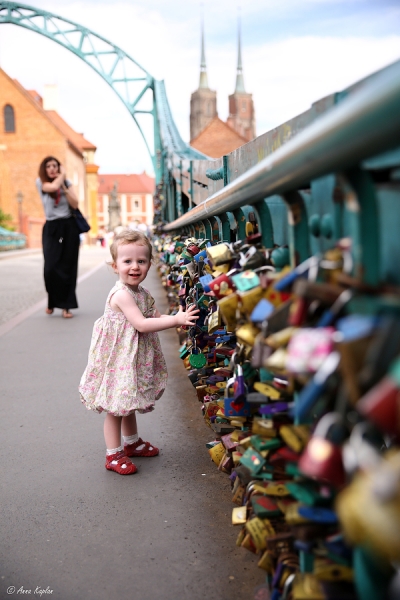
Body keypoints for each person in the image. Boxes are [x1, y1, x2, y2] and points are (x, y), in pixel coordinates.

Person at [79, 229, 199, 475]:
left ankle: (131, 442)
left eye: (141, 261)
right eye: (127, 261)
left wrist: (179, 318)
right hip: (118, 359)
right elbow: (142, 324)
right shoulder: (122, 295)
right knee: (115, 408)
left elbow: (156, 316)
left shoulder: (142, 293)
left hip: (131, 357)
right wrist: (176, 320)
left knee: (128, 402)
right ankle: (113, 454)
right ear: (115, 266)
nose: (135, 267)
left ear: (149, 264)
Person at [36, 156, 80, 319]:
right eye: (49, 166)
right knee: (50, 268)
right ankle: (52, 301)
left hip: (69, 227)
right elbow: (52, 187)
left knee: (68, 267)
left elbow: (75, 204)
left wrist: (64, 185)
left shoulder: (67, 184)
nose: (52, 169)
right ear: (45, 169)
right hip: (51, 227)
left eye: (55, 166)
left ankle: (66, 306)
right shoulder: (41, 182)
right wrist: (63, 174)